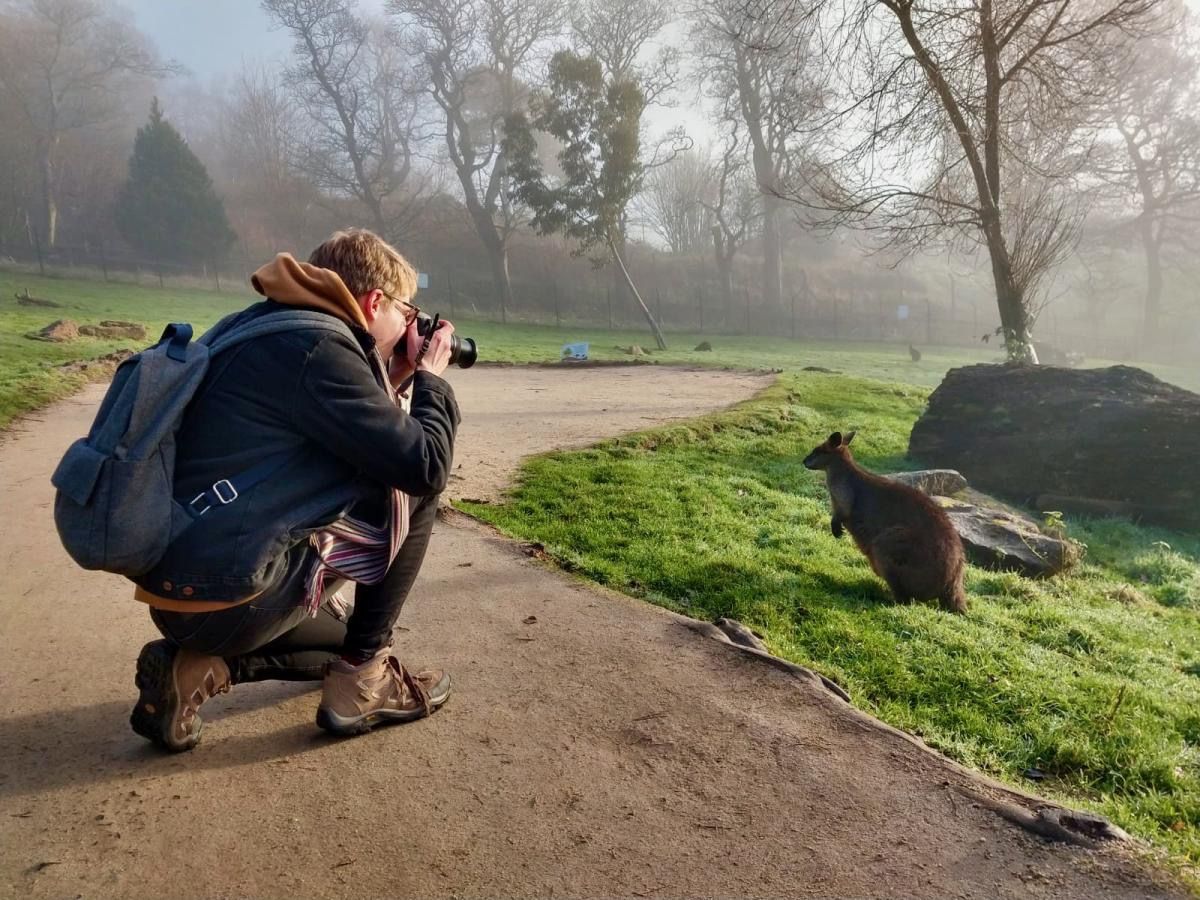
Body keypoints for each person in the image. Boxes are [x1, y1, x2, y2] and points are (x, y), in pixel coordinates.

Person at [128, 229, 461, 752]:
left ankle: (194, 668)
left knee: (345, 636)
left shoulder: (259, 326)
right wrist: (432, 378)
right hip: (233, 595)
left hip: (177, 598)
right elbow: (423, 463)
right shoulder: (321, 348)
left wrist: (394, 378)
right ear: (375, 302)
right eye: (406, 312)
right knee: (411, 495)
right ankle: (363, 681)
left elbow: (342, 434)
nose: (409, 326)